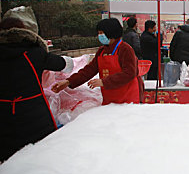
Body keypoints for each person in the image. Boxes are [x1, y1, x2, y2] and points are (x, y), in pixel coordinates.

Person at [0, 14, 74, 162]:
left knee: (7, 161)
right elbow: (65, 65)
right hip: (33, 114)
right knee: (38, 158)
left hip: (3, 116)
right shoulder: (34, 53)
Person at [52, 18, 143, 106]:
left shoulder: (125, 49)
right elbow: (89, 70)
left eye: (101, 33)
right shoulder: (102, 51)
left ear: (111, 33)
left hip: (127, 96)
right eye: (98, 33)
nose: (99, 36)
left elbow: (129, 73)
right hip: (110, 96)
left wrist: (104, 82)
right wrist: (69, 81)